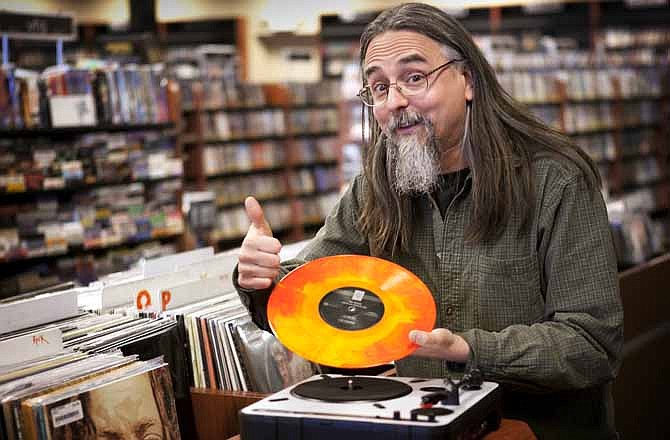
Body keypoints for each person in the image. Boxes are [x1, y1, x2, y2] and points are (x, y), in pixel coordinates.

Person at [234, 3, 623, 439]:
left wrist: (471, 350)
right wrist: (261, 280)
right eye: (378, 87)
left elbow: (593, 345)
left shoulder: (557, 181)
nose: (395, 101)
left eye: (414, 78)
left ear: (468, 80)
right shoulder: (376, 187)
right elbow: (309, 293)